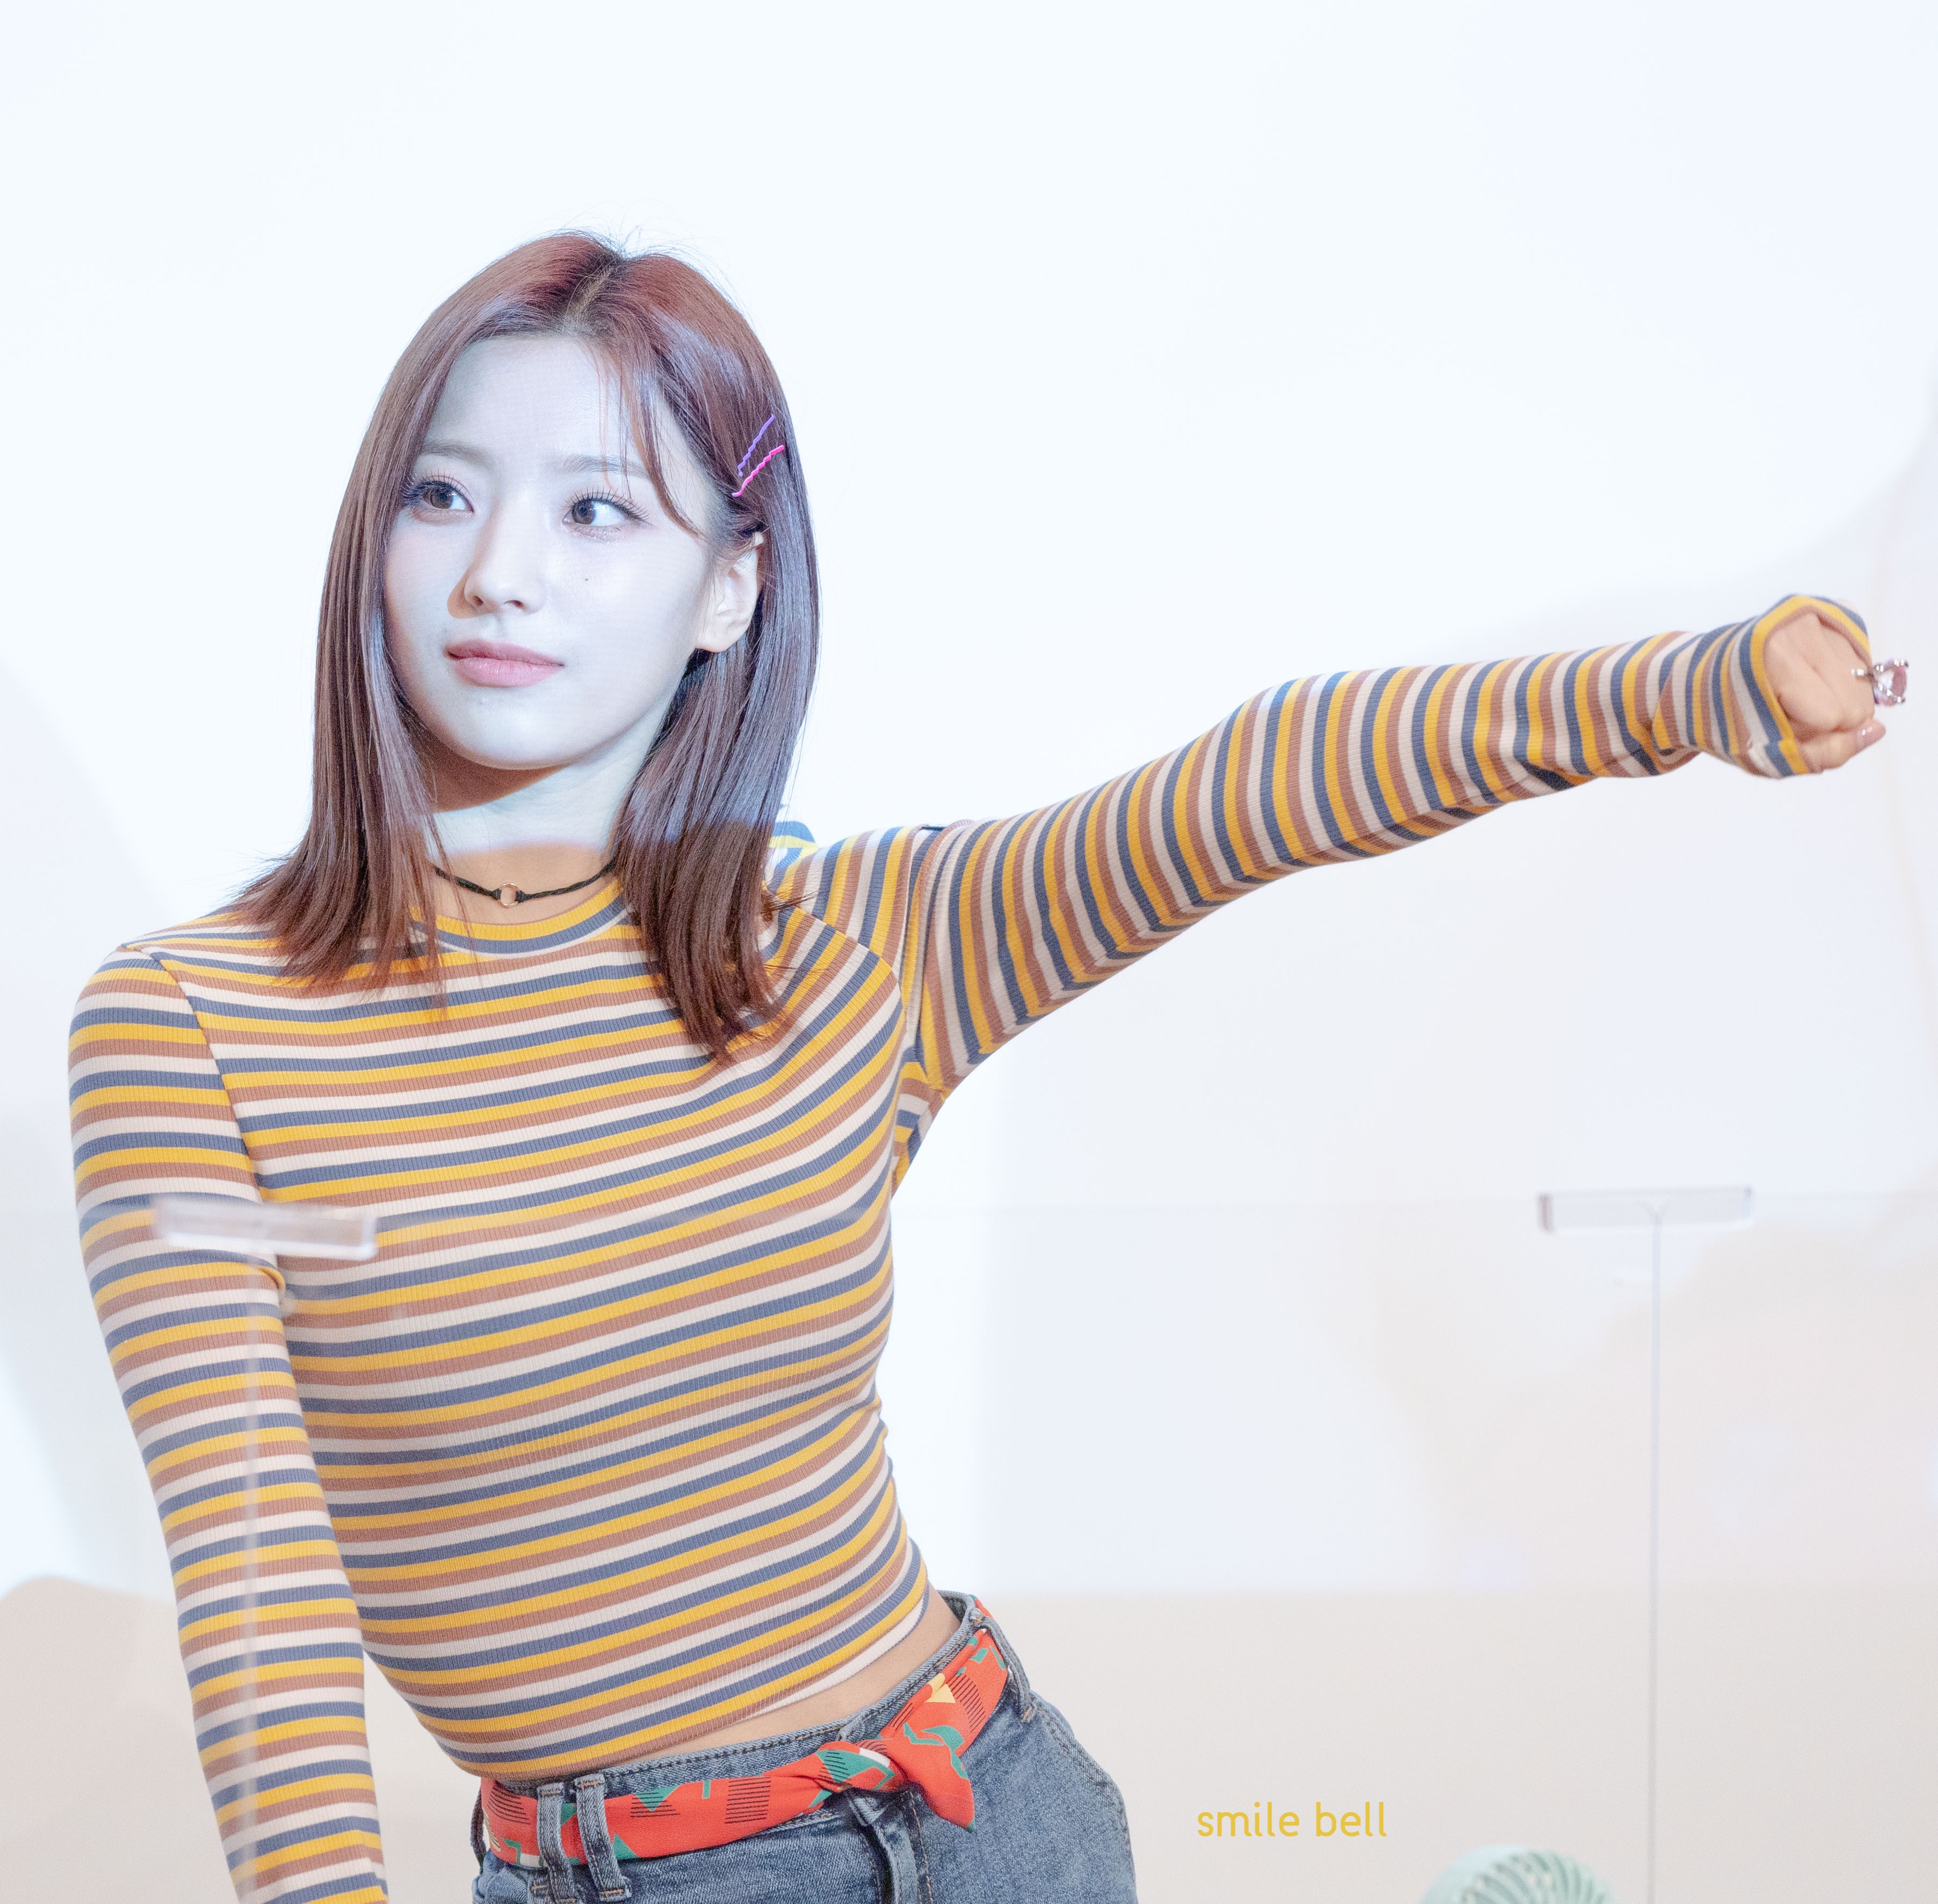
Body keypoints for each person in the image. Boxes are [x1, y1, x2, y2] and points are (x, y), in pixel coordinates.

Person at [68, 233, 1894, 1904]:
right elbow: (257, 1588)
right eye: (442, 493)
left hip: (993, 1815)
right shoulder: (196, 1028)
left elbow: (1254, 786)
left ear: (730, 588)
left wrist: (1687, 689)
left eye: (599, 509)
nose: (500, 573)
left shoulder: (842, 941)